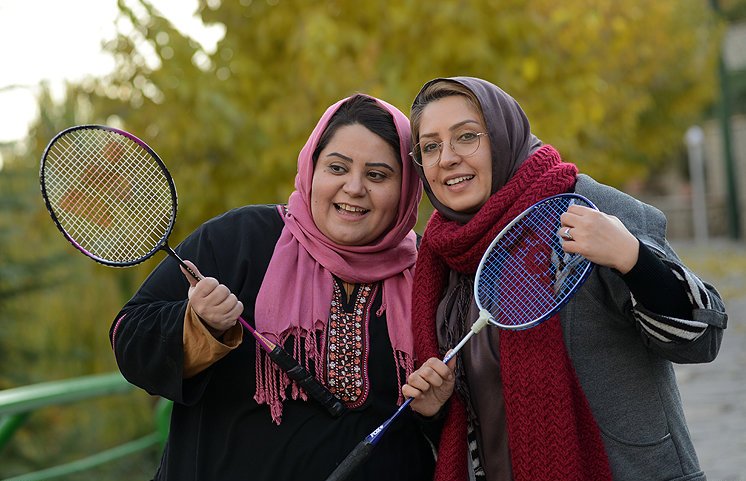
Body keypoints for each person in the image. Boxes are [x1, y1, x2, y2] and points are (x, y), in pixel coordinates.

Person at [400, 77, 728, 481]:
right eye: (430, 146)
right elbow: (475, 414)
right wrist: (433, 409)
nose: (446, 158)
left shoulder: (581, 208)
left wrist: (632, 258)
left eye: (466, 137)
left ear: (503, 136)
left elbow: (703, 337)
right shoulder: (441, 256)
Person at [109, 94, 436, 481]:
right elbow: (127, 337)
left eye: (377, 175)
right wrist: (197, 324)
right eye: (337, 167)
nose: (354, 187)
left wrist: (438, 408)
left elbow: (460, 417)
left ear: (407, 189)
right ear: (312, 168)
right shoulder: (239, 240)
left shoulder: (429, 270)